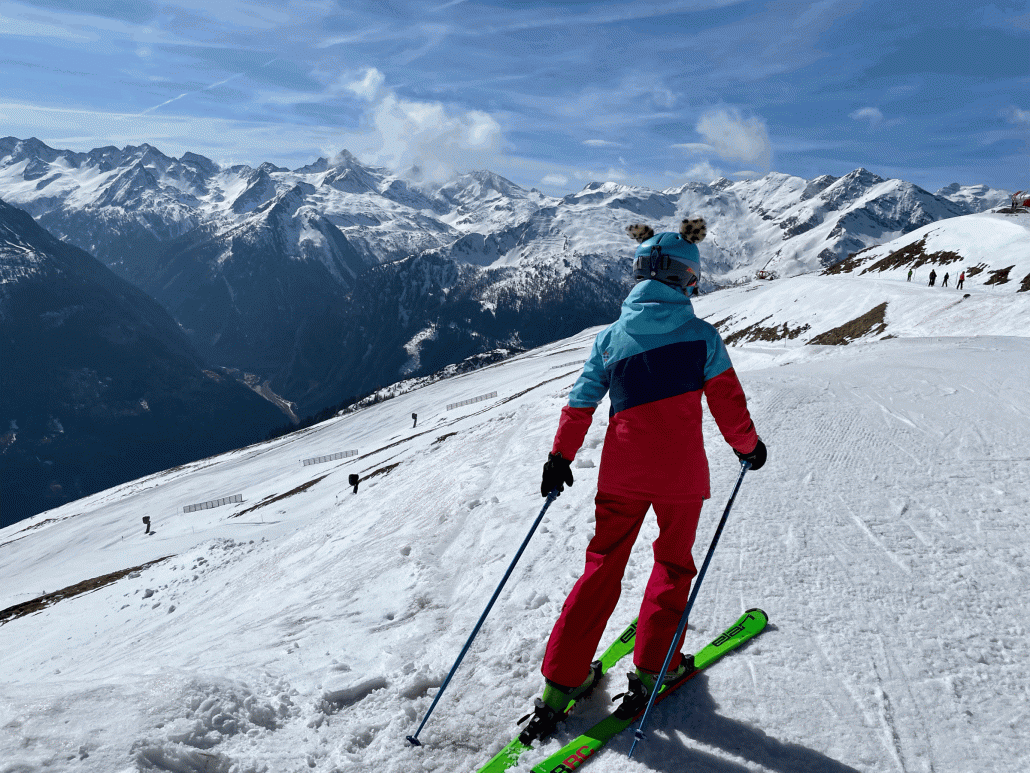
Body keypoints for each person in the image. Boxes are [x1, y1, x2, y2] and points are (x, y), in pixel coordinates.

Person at [523, 217, 767, 740]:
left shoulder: (611, 338)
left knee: (602, 568)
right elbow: (729, 403)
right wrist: (748, 448)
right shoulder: (702, 336)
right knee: (673, 567)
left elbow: (582, 400)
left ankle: (561, 684)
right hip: (681, 478)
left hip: (621, 476)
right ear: (686, 279)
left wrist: (560, 456)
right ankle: (656, 668)